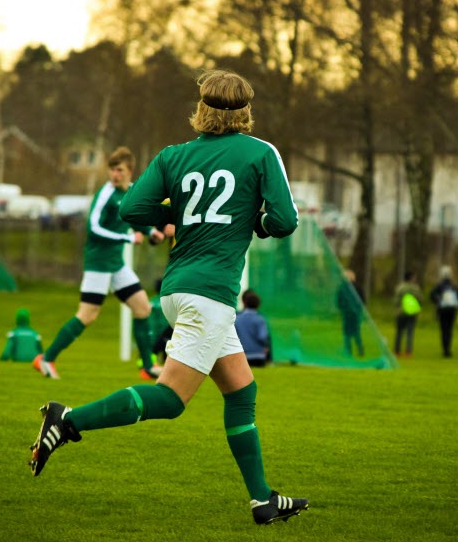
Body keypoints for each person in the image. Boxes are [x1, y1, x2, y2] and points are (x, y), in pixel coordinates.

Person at [28, 69, 308, 525]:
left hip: (177, 290)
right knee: (171, 400)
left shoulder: (173, 156)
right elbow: (285, 220)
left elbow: (131, 209)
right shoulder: (260, 153)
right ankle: (68, 419)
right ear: (246, 111)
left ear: (201, 109)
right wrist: (251, 221)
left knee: (241, 390)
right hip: (210, 295)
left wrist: (179, 210)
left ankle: (263, 500)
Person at [34, 146, 166, 380]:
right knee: (87, 315)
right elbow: (93, 229)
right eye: (112, 170)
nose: (114, 175)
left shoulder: (133, 192)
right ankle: (47, 358)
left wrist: (150, 232)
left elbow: (135, 218)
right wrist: (127, 238)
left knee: (143, 308)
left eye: (119, 170)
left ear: (130, 171)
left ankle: (147, 366)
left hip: (116, 264)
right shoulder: (105, 194)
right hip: (98, 263)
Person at [429, 265, 458, 358]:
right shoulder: (453, 286)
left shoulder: (440, 286)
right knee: (450, 330)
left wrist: (438, 302)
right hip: (451, 311)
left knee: (443, 330)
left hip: (442, 311)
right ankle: (448, 349)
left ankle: (445, 349)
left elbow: (432, 295)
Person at [235, 289, 271, 367]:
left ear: (244, 303)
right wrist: (266, 347)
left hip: (243, 356)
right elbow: (262, 337)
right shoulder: (260, 319)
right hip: (259, 356)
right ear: (258, 304)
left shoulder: (237, 319)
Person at [336, 269, 364, 357]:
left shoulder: (343, 287)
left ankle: (348, 350)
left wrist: (342, 308)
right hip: (356, 313)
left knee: (347, 332)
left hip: (346, 313)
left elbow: (339, 301)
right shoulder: (358, 287)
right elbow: (363, 299)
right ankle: (360, 349)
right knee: (356, 331)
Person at [393, 270, 422, 357]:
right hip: (412, 312)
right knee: (410, 332)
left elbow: (396, 300)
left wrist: (398, 308)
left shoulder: (400, 287)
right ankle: (408, 352)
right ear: (412, 278)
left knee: (399, 332)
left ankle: (397, 351)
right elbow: (420, 299)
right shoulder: (415, 288)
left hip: (401, 312)